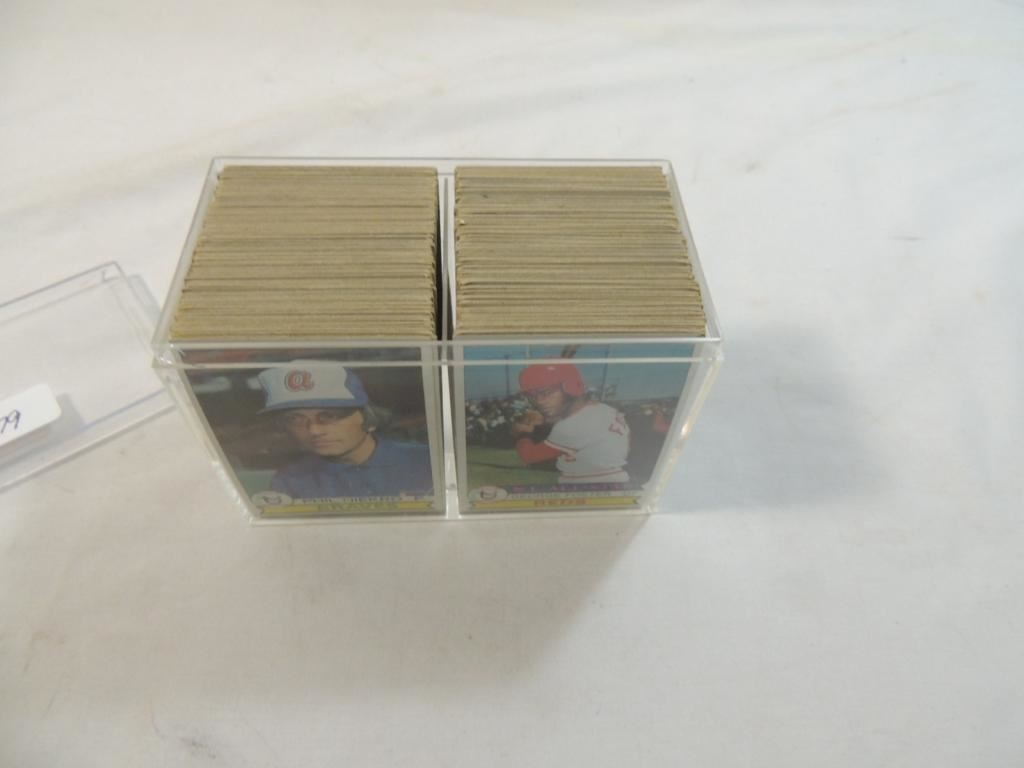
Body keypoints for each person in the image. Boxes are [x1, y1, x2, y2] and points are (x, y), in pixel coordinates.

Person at [256, 361, 433, 499]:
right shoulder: (290, 480)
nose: (314, 430)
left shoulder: (427, 462)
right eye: (295, 419)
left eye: (329, 415)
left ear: (369, 418)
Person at [511, 363, 631, 484]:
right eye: (532, 396)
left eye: (546, 392)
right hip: (617, 478)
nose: (539, 402)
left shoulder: (570, 425)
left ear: (571, 387)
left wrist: (523, 433)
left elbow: (529, 456)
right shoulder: (606, 410)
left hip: (586, 483)